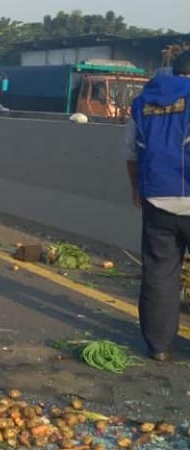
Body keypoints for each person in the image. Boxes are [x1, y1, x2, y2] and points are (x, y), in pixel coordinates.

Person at [125, 50, 190, 361]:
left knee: (160, 273)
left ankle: (160, 346)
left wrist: (137, 187)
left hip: (157, 198)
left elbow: (131, 152)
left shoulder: (143, 102)